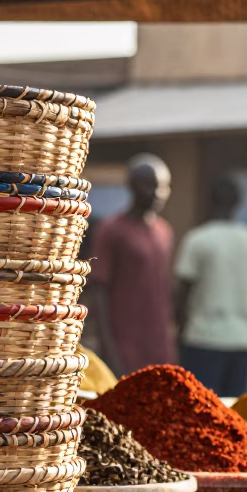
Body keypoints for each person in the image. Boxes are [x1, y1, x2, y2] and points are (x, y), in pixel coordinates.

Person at [173, 175, 247, 398]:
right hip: (241, 340)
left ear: (208, 201)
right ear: (238, 203)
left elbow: (182, 293)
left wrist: (179, 330)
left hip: (202, 338)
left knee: (199, 407)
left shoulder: (197, 240)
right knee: (232, 413)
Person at [90, 153, 176, 375]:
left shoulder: (164, 232)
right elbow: (98, 290)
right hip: (125, 345)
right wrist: (109, 350)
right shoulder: (111, 231)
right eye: (149, 186)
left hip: (157, 345)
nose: (157, 194)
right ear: (132, 187)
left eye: (163, 187)